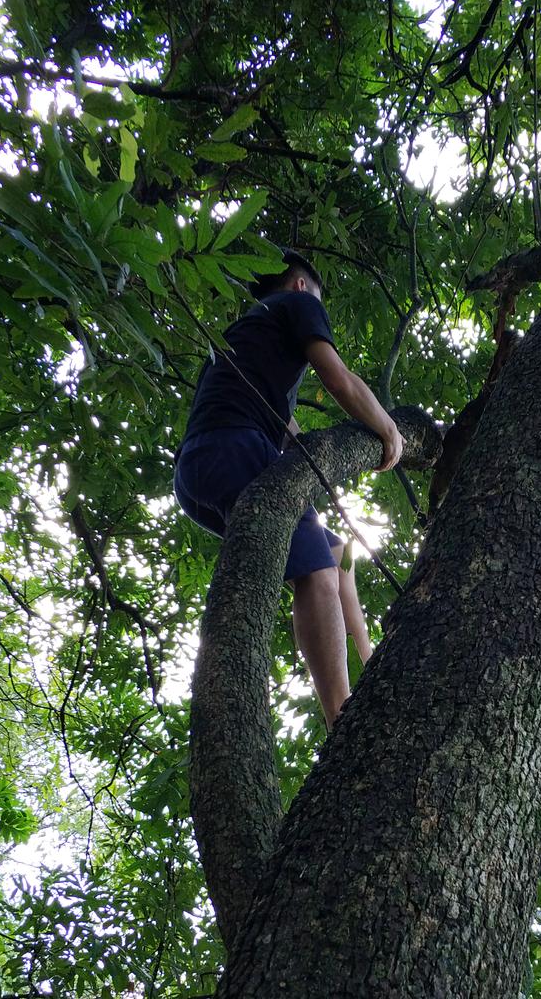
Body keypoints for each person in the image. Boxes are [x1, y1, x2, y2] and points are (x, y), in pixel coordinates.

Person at [174, 249, 403, 725]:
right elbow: (339, 379)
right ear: (302, 287)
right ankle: (343, 719)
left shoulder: (246, 338)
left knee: (335, 553)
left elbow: (287, 427)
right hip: (236, 448)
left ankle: (371, 663)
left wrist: (320, 476)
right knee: (316, 573)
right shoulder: (296, 304)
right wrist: (388, 431)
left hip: (202, 467)